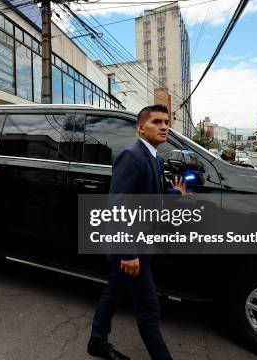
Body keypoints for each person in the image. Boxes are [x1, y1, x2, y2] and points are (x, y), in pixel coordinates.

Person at [88, 104, 186, 360]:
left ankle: (97, 342)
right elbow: (118, 205)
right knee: (148, 308)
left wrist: (174, 193)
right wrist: (128, 253)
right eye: (156, 122)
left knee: (113, 292)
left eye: (166, 122)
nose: (164, 126)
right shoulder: (131, 155)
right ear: (140, 128)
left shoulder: (153, 156)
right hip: (131, 245)